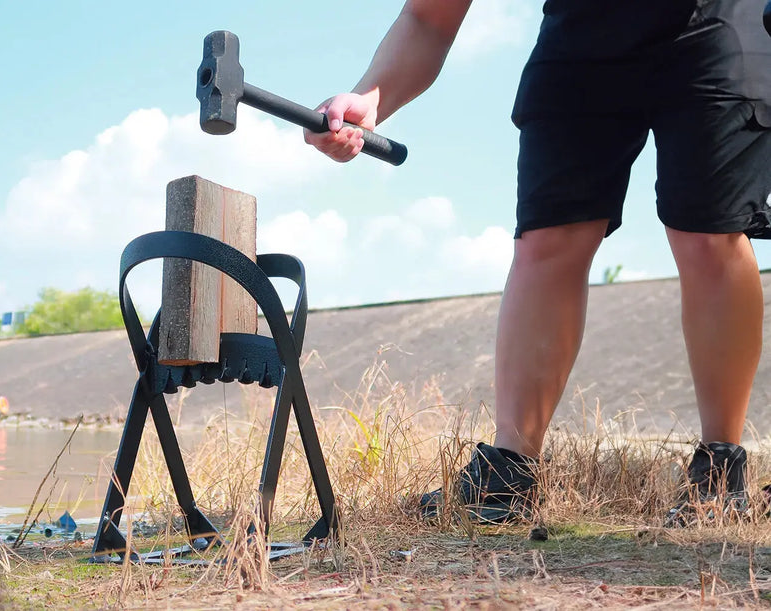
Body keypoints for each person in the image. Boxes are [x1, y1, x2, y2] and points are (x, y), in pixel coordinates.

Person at [305, 0, 771, 525]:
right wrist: (370, 98)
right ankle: (510, 473)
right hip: (583, 33)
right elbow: (428, 17)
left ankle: (720, 473)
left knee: (707, 232)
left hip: (715, 20)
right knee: (547, 237)